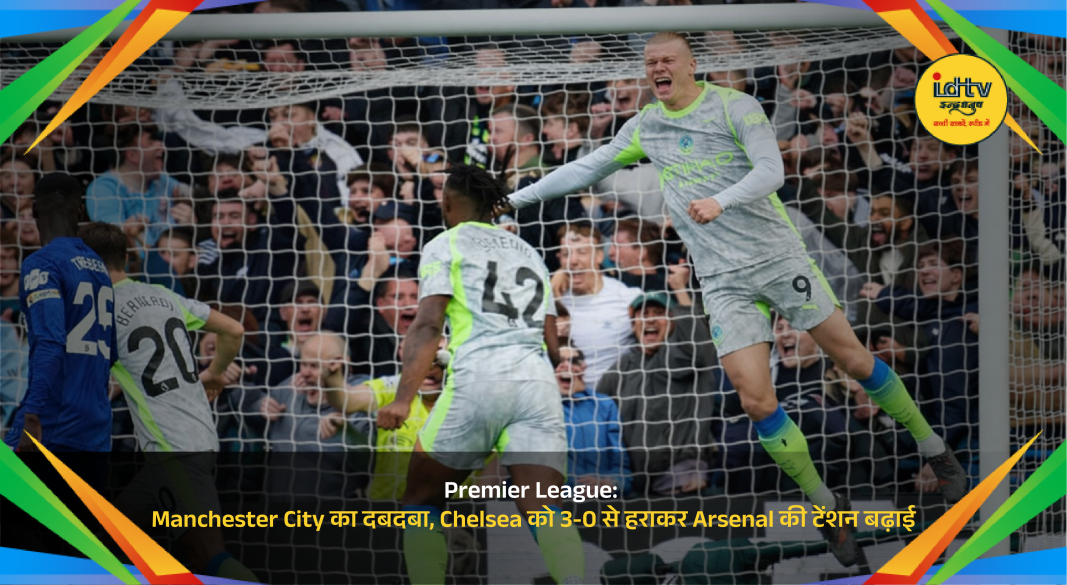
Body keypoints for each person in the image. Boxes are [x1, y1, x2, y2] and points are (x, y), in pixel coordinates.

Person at [500, 31, 965, 566]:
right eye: (649, 62)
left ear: (691, 64)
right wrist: (512, 196)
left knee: (854, 359)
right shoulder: (646, 125)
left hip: (778, 259)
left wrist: (720, 201)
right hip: (722, 280)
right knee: (756, 401)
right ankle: (825, 505)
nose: (657, 68)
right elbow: (588, 166)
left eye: (667, 59)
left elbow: (773, 170)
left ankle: (933, 447)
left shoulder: (735, 106)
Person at [376, 164, 584, 585]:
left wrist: (402, 398)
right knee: (543, 507)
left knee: (420, 497)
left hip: (481, 382)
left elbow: (428, 325)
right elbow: (553, 345)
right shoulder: (528, 251)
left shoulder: (445, 244)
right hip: (537, 386)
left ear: (447, 202)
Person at [76, 222, 258, 583]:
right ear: (126, 259)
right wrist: (216, 372)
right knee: (107, 544)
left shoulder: (100, 311)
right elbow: (234, 330)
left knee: (208, 556)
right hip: (188, 439)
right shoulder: (164, 296)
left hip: (174, 448)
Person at [3, 173, 116, 453]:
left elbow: (50, 343)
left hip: (53, 420)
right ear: (81, 210)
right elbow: (111, 350)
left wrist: (32, 414)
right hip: (96, 425)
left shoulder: (41, 263)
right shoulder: (99, 267)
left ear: (33, 210)